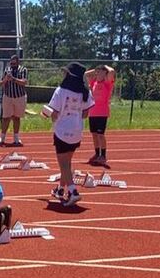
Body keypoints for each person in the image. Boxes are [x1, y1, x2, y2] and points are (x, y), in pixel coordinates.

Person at [45, 63, 95, 207]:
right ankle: (60, 189)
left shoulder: (60, 91)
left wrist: (46, 113)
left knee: (64, 165)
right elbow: (85, 114)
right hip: (77, 131)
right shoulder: (85, 92)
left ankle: (73, 191)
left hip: (62, 131)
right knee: (67, 163)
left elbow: (54, 113)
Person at [84, 65, 115, 166]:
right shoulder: (93, 82)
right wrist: (96, 70)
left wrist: (105, 66)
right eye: (99, 72)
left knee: (101, 135)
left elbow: (112, 71)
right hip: (93, 112)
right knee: (94, 135)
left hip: (102, 112)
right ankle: (97, 154)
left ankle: (103, 155)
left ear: (105, 74)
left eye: (102, 72)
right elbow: (86, 74)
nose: (99, 74)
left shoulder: (107, 84)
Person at [0, 54, 28, 146]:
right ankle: (2, 138)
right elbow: (1, 84)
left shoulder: (23, 70)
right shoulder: (7, 70)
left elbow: (24, 82)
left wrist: (14, 79)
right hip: (8, 96)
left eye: (14, 64)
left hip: (19, 96)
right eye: (11, 63)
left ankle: (16, 138)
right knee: (6, 118)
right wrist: (6, 79)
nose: (12, 65)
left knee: (16, 117)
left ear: (18, 62)